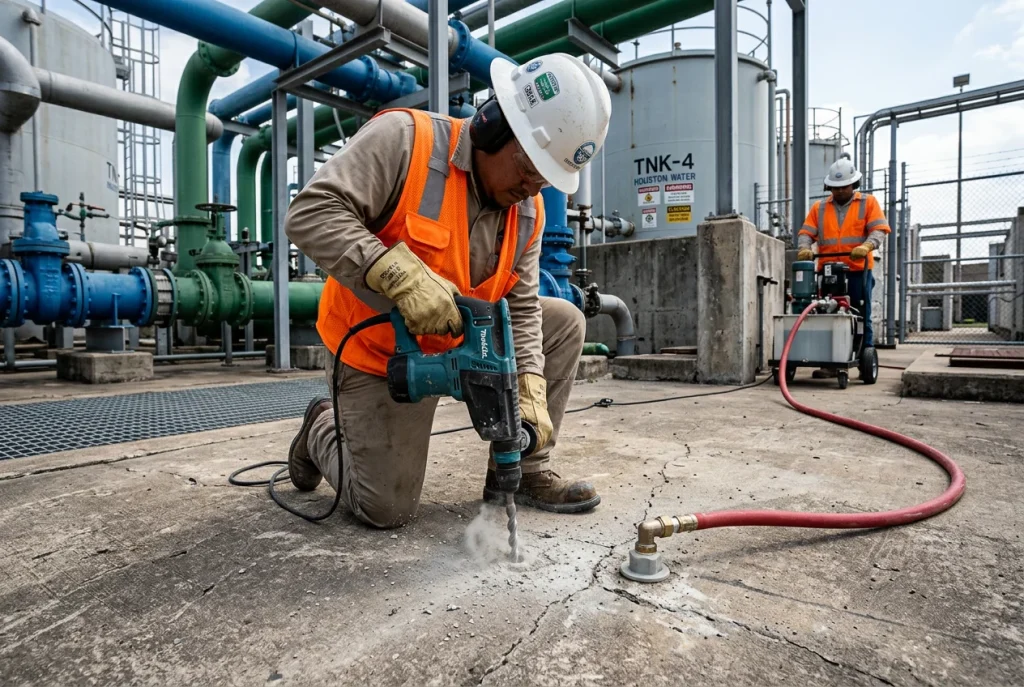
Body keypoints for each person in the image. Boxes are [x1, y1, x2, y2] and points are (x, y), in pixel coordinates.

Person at [283, 54, 612, 529]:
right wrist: (398, 276)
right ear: (493, 127)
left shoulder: (530, 210)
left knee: (563, 321)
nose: (533, 185)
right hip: (381, 353)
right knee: (385, 510)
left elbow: (519, 307)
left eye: (546, 177)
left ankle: (521, 470)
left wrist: (529, 388)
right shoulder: (404, 141)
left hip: (461, 339)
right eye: (529, 166)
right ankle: (320, 427)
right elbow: (310, 213)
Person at [797, 154, 890, 350]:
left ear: (854, 184)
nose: (839, 191)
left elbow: (879, 230)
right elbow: (806, 232)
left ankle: (864, 353)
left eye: (844, 186)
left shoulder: (868, 203)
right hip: (828, 271)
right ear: (829, 187)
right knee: (827, 313)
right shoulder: (819, 208)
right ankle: (831, 360)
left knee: (859, 312)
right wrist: (804, 248)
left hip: (858, 270)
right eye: (835, 187)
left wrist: (867, 246)